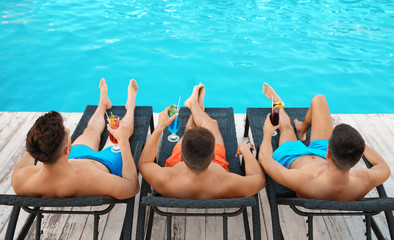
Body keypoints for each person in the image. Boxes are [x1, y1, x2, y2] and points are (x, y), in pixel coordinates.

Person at [259, 83, 390, 201]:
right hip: (322, 154)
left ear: (328, 152)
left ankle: (278, 105)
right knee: (319, 100)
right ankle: (301, 129)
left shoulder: (304, 181)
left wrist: (267, 133)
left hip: (293, 157)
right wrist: (356, 144)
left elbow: (265, 160)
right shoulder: (364, 180)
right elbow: (383, 166)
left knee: (286, 128)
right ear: (360, 155)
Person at [11, 78, 140, 199]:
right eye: (65, 130)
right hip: (104, 163)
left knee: (91, 131)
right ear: (67, 149)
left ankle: (103, 104)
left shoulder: (22, 180)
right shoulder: (92, 179)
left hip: (73, 156)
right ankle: (130, 108)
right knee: (121, 130)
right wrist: (123, 141)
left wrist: (38, 140)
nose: (67, 129)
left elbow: (30, 150)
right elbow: (132, 187)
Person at [139, 83, 265, 199]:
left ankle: (194, 105)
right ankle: (194, 105)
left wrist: (160, 127)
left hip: (176, 176)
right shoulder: (228, 183)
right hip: (216, 180)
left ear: (182, 157)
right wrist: (246, 151)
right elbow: (259, 180)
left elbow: (144, 163)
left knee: (190, 130)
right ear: (213, 156)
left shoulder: (165, 180)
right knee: (211, 124)